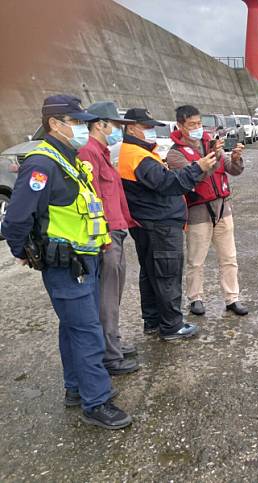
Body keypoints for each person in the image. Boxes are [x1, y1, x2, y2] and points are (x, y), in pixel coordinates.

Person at [1, 95, 131, 429]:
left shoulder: (67, 158)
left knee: (74, 329)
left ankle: (77, 388)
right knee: (87, 332)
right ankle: (96, 401)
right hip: (66, 264)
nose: (83, 128)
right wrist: (22, 250)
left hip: (83, 260)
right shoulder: (42, 163)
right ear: (55, 123)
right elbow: (15, 218)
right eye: (76, 122)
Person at [118, 108, 218, 340]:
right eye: (146, 127)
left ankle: (153, 320)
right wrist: (198, 167)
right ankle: (171, 325)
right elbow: (167, 183)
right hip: (159, 225)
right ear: (131, 128)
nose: (151, 130)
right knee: (166, 274)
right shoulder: (137, 156)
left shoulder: (132, 152)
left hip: (146, 223)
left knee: (151, 273)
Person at [165, 105, 248, 317]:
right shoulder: (175, 154)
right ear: (180, 126)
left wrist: (236, 157)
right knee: (196, 260)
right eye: (192, 124)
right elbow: (191, 177)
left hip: (223, 208)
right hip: (197, 212)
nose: (197, 128)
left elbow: (232, 169)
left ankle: (232, 298)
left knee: (229, 257)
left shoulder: (211, 144)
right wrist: (210, 157)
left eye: (199, 123)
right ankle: (196, 298)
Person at [78, 102, 140, 375]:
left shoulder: (102, 154)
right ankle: (110, 357)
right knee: (106, 298)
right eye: (114, 125)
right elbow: (91, 199)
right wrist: (103, 237)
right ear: (99, 125)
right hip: (105, 237)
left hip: (116, 231)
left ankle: (112, 343)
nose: (117, 131)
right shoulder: (88, 154)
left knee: (113, 296)